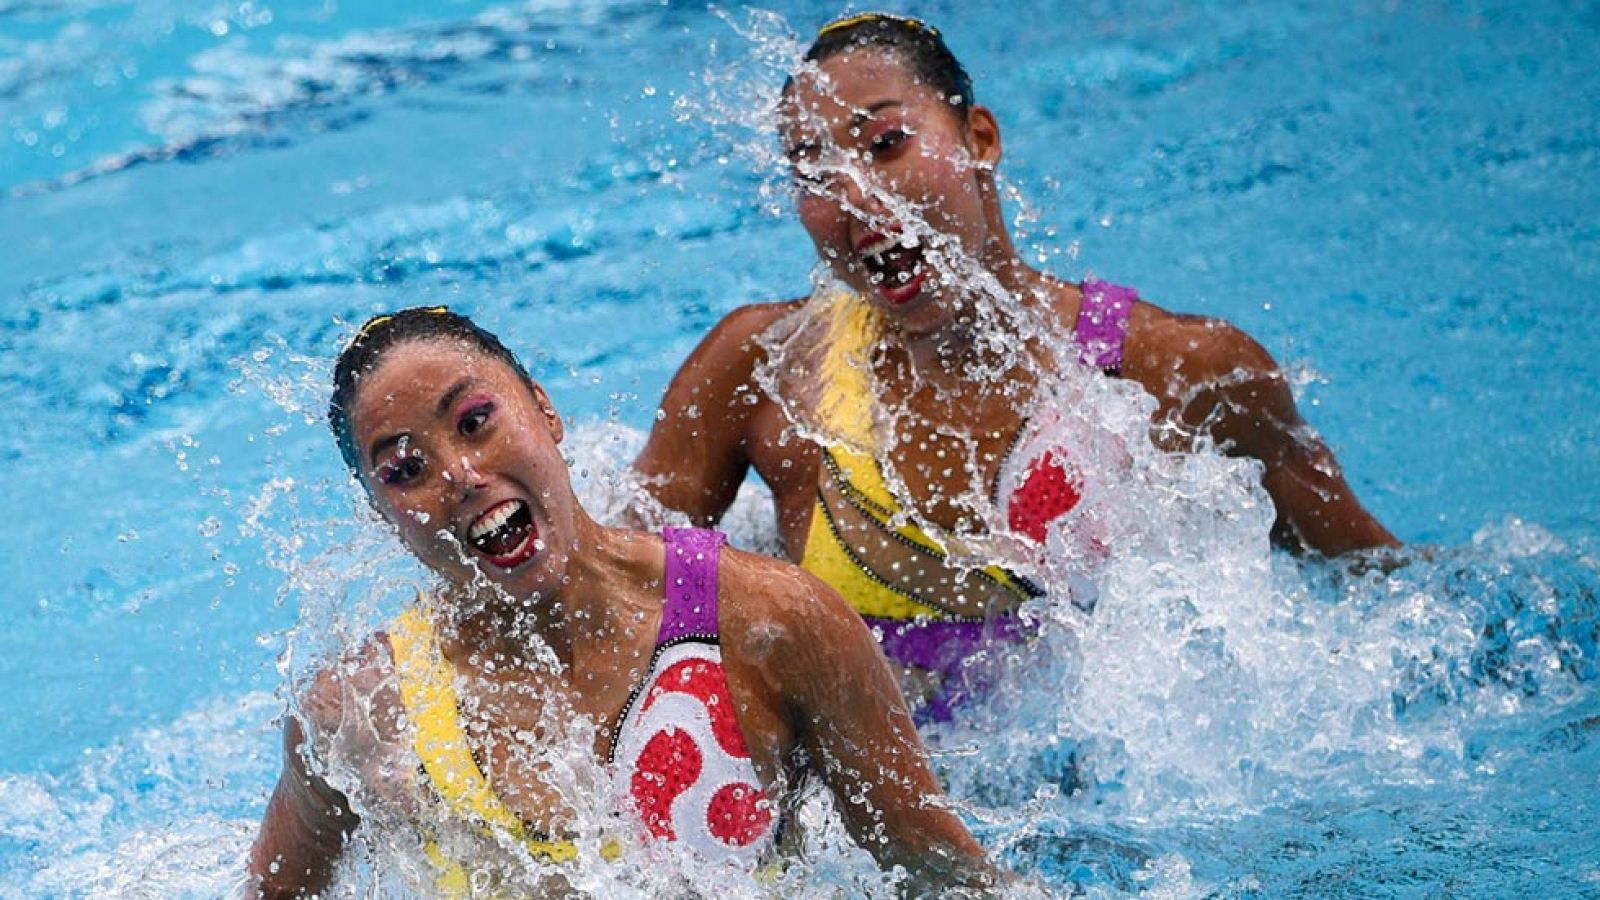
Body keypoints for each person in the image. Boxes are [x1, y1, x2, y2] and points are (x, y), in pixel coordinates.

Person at [633, 14, 1399, 718]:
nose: (857, 196)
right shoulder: (764, 370)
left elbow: (1381, 593)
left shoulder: (1177, 372)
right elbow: (604, 600)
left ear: (980, 139)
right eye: (816, 171)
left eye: (886, 143)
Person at [247, 307, 998, 897]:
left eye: (476, 421)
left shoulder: (768, 621)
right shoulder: (364, 714)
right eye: (406, 469)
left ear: (544, 411)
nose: (462, 474)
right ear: (382, 513)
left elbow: (947, 881)